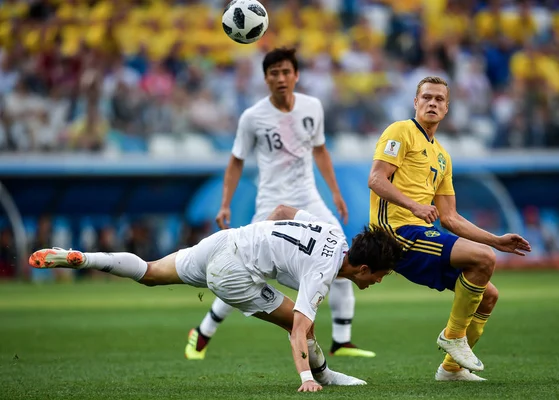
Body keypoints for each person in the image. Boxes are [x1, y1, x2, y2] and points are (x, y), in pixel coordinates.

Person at [29, 205, 403, 393]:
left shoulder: (330, 231)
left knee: (150, 272)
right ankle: (324, 376)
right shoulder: (323, 272)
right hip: (234, 273)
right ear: (364, 267)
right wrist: (305, 378)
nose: (378, 281)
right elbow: (299, 330)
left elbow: (286, 211)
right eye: (380, 275)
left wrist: (265, 232)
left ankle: (84, 258)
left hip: (228, 240)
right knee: (299, 322)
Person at [193, 47, 373, 360]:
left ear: (296, 75)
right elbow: (236, 161)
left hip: (308, 197)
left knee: (344, 257)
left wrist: (335, 192)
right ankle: (204, 329)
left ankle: (342, 340)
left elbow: (320, 151)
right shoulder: (252, 117)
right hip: (271, 202)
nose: (280, 78)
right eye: (273, 73)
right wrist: (225, 203)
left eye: (286, 72)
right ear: (265, 78)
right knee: (246, 271)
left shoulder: (312, 107)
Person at [368, 76, 532, 381]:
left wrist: (496, 240)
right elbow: (376, 179)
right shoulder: (400, 131)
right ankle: (453, 336)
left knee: (488, 296)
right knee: (483, 260)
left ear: (447, 108)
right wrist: (414, 206)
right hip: (394, 234)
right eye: (426, 97)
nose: (432, 103)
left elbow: (451, 218)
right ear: (415, 102)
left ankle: (451, 369)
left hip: (420, 233)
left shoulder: (443, 157)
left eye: (439, 99)